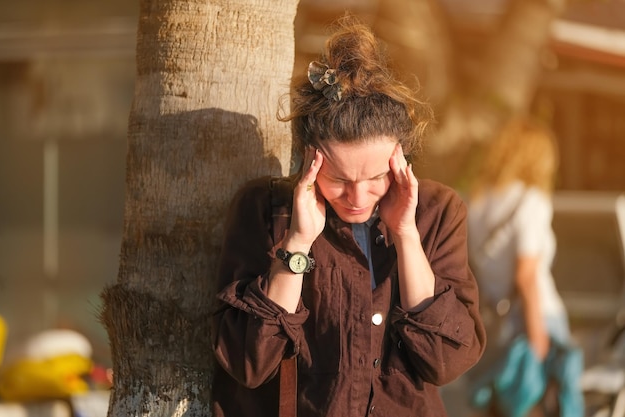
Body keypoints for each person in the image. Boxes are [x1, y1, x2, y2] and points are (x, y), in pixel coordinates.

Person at [212, 17, 485, 417]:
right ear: (309, 157)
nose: (357, 196)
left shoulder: (437, 212)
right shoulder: (266, 209)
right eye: (338, 179)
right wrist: (298, 244)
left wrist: (406, 234)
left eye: (376, 177)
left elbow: (447, 360)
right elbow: (248, 364)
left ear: (401, 159)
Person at [466, 118, 583, 416]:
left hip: (496, 322)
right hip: (536, 319)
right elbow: (527, 276)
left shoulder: (476, 200)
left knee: (502, 406)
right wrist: (539, 343)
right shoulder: (531, 201)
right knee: (547, 405)